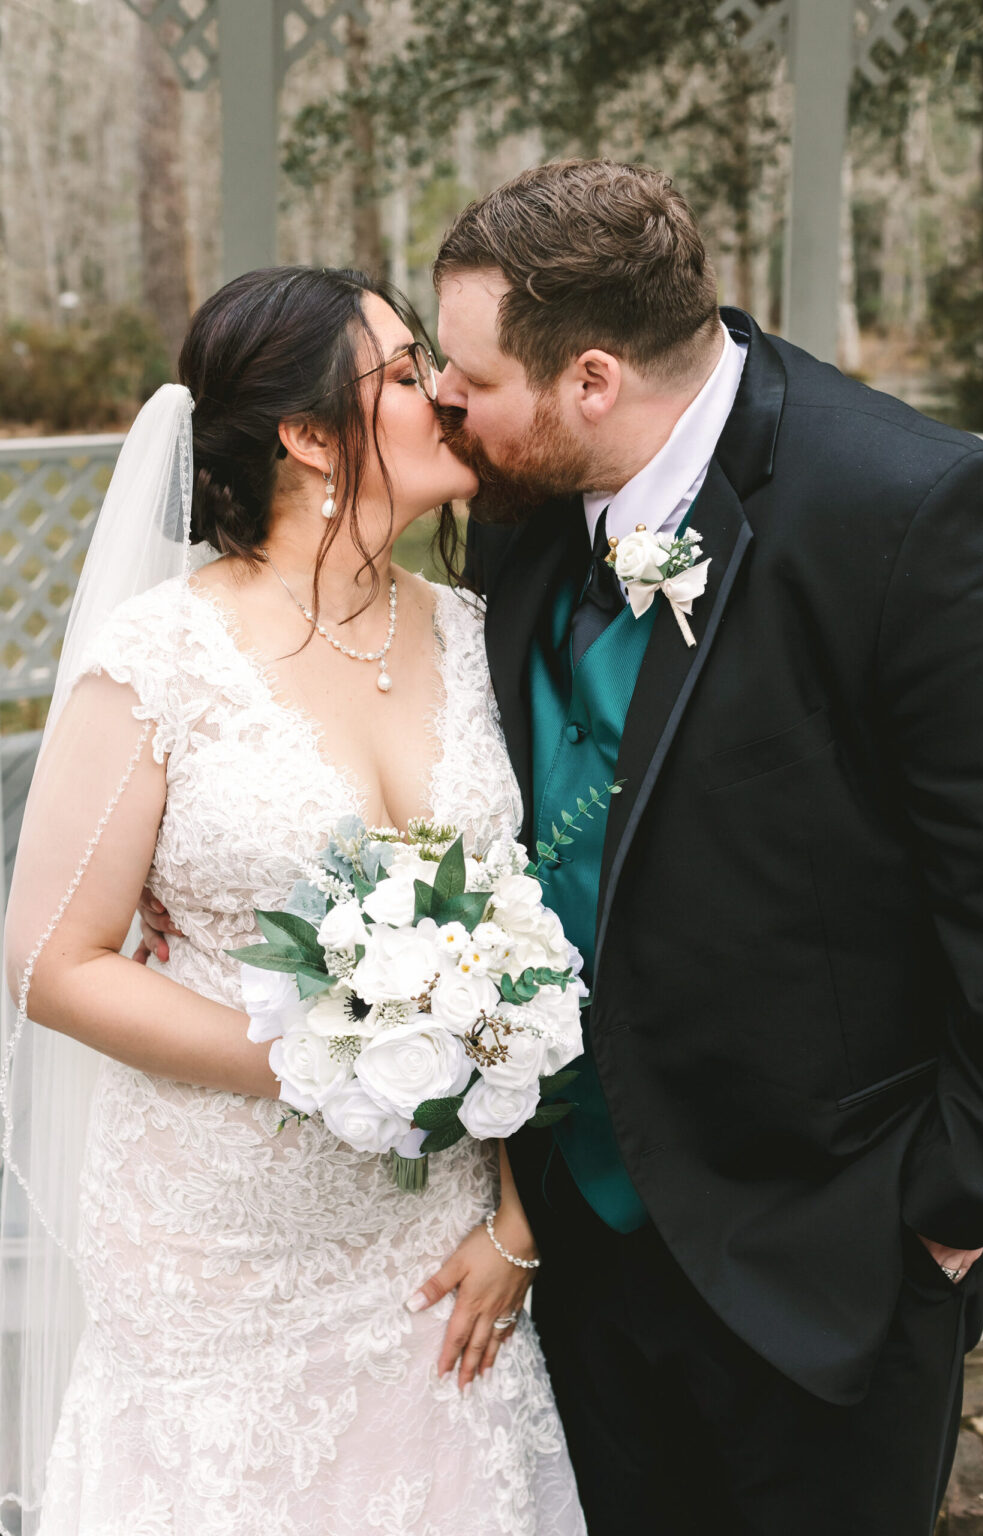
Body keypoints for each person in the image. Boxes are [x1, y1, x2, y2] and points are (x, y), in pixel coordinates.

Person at [403, 159, 983, 1535]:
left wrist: (946, 1215)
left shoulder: (914, 515)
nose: (445, 403)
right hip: (576, 1241)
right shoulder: (519, 506)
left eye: (469, 376)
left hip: (824, 1257)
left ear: (594, 380)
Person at [1, 268, 585, 1535]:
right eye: (400, 373)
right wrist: (328, 1063)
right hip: (220, 1256)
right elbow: (53, 959)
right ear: (311, 438)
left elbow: (533, 944)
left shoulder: (477, 632)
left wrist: (521, 1223)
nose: (440, 392)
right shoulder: (162, 661)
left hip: (440, 1251)